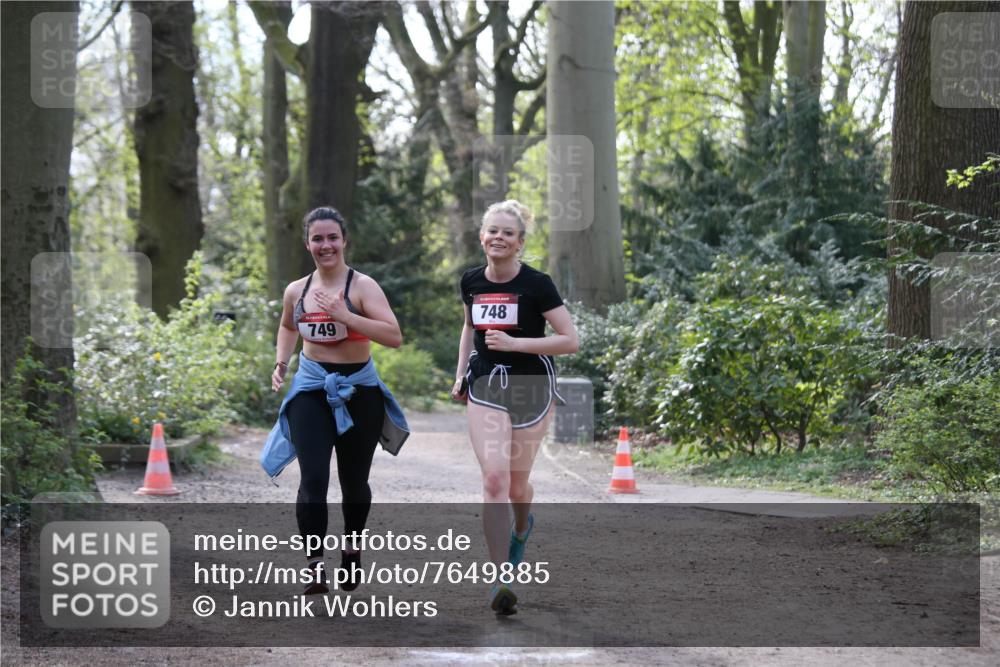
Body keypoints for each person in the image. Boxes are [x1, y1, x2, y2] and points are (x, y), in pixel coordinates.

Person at [264, 206, 409, 595]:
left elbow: (393, 336)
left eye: (332, 237)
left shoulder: (363, 287)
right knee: (312, 478)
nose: (325, 245)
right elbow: (286, 325)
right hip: (311, 389)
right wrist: (281, 361)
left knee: (353, 480)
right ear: (307, 243)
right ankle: (314, 566)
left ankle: (351, 548)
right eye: (317, 238)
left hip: (359, 392)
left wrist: (346, 316)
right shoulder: (297, 290)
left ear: (344, 241)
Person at [451, 200, 579, 615]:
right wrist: (460, 375)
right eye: (493, 231)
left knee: (517, 486)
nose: (499, 238)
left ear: (520, 242)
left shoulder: (537, 284)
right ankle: (501, 578)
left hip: (531, 386)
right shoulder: (471, 281)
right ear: (482, 237)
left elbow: (569, 339)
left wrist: (517, 343)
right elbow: (470, 327)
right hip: (486, 382)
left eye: (508, 232)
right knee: (493, 481)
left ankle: (522, 528)